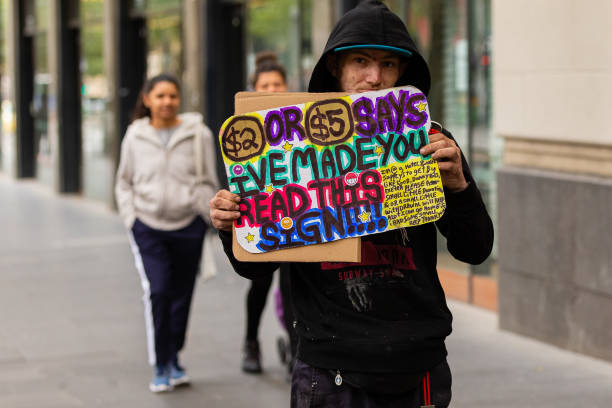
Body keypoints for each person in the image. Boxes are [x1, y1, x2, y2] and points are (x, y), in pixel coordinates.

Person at [210, 1, 494, 406]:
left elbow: (476, 248)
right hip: (330, 370)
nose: (374, 77)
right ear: (335, 69)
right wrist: (230, 227)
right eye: (361, 61)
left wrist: (459, 186)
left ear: (403, 73)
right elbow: (253, 266)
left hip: (418, 366)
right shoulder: (289, 149)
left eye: (389, 64)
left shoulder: (429, 142)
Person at [115, 73, 218, 393]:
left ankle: (174, 357)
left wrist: (203, 215)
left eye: (172, 96)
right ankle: (161, 363)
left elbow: (208, 178)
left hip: (189, 225)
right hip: (147, 226)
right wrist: (131, 218)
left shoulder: (198, 133)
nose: (167, 102)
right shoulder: (135, 135)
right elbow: (124, 181)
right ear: (147, 99)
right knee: (159, 291)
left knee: (182, 295)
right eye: (160, 96)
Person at [241, 51, 292, 374]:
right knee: (259, 284)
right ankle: (250, 342)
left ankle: (296, 346)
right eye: (265, 85)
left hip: (298, 216)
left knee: (292, 285)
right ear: (254, 89)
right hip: (262, 216)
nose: (272, 90)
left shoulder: (299, 119)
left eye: (278, 84)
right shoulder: (245, 125)